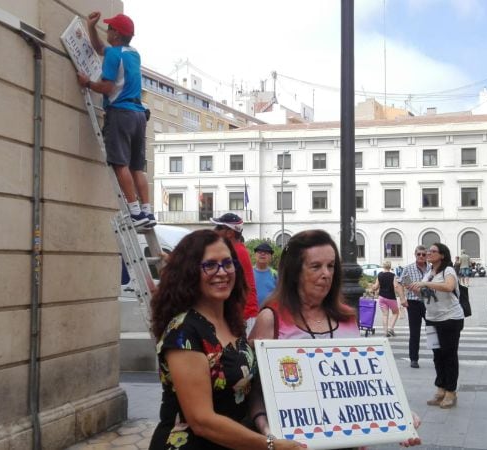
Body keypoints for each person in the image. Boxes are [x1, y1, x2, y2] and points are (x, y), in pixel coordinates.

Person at [249, 230, 421, 448]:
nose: (326, 274)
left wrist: (399, 415)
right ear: (294, 272)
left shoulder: (348, 317)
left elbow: (363, 384)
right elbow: (255, 392)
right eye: (316, 266)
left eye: (331, 266)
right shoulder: (271, 318)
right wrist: (268, 432)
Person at [147, 230, 303, 450]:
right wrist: (270, 445)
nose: (222, 272)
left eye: (227, 264)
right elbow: (202, 421)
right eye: (210, 265)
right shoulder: (183, 331)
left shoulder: (231, 320)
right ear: (190, 272)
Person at [76, 12, 155, 229]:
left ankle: (135, 213)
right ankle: (147, 212)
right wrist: (91, 27)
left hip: (121, 113)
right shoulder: (133, 54)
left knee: (121, 164)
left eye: (110, 29)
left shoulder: (113, 56)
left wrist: (88, 83)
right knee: (137, 167)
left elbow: (108, 87)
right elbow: (102, 49)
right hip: (139, 115)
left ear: (117, 34)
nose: (107, 31)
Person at [410, 243, 464, 409]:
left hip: (450, 318)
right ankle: (440, 389)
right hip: (432, 318)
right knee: (437, 355)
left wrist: (425, 284)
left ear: (442, 255)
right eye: (428, 251)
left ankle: (450, 391)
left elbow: (449, 287)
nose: (428, 253)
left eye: (433, 251)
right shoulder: (429, 273)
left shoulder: (448, 270)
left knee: (449, 355)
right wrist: (415, 288)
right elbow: (428, 296)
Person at [211, 213, 258, 327]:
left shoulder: (235, 253)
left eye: (218, 227)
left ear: (230, 233)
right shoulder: (237, 250)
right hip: (243, 313)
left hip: (244, 315)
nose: (214, 230)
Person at [398, 246, 429, 368]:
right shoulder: (408, 268)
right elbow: (400, 284)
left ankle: (439, 356)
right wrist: (402, 299)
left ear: (426, 255)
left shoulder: (431, 268)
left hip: (429, 303)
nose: (421, 256)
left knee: (433, 330)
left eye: (423, 254)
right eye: (419, 254)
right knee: (414, 332)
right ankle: (414, 359)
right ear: (415, 255)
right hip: (414, 303)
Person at [371, 260, 400, 337]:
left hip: (381, 297)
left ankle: (385, 332)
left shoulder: (380, 275)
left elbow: (376, 287)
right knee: (396, 312)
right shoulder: (393, 275)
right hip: (391, 297)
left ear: (383, 266)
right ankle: (391, 328)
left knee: (385, 315)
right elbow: (396, 286)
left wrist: (372, 288)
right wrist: (400, 294)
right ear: (390, 267)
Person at [253, 242, 278, 307]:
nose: (263, 254)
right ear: (255, 255)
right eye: (259, 252)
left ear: (271, 257)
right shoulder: (249, 272)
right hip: (251, 313)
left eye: (266, 253)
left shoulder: (275, 274)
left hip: (269, 312)